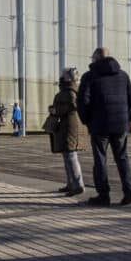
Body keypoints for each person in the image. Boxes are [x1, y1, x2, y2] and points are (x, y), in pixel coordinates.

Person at [78, 47, 131, 206]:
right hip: (120, 126)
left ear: (96, 59)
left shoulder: (89, 76)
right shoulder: (123, 76)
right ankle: (129, 193)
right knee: (123, 158)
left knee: (100, 160)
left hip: (99, 126)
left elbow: (83, 101)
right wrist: (130, 119)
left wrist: (87, 121)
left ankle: (103, 196)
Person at [50, 68, 85, 196]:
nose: (60, 78)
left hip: (68, 127)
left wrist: (54, 110)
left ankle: (77, 184)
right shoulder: (77, 90)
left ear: (67, 79)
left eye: (62, 76)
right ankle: (71, 183)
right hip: (75, 126)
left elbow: (66, 107)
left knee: (70, 155)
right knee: (68, 155)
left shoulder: (67, 93)